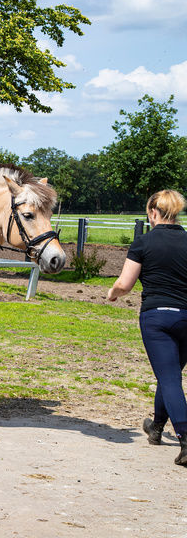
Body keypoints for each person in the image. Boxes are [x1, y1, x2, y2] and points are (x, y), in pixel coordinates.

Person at [107, 190, 187, 466]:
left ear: (153, 212)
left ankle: (185, 439)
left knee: (169, 379)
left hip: (157, 318)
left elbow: (125, 283)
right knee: (169, 374)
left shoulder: (143, 242)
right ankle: (156, 427)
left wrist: (113, 293)